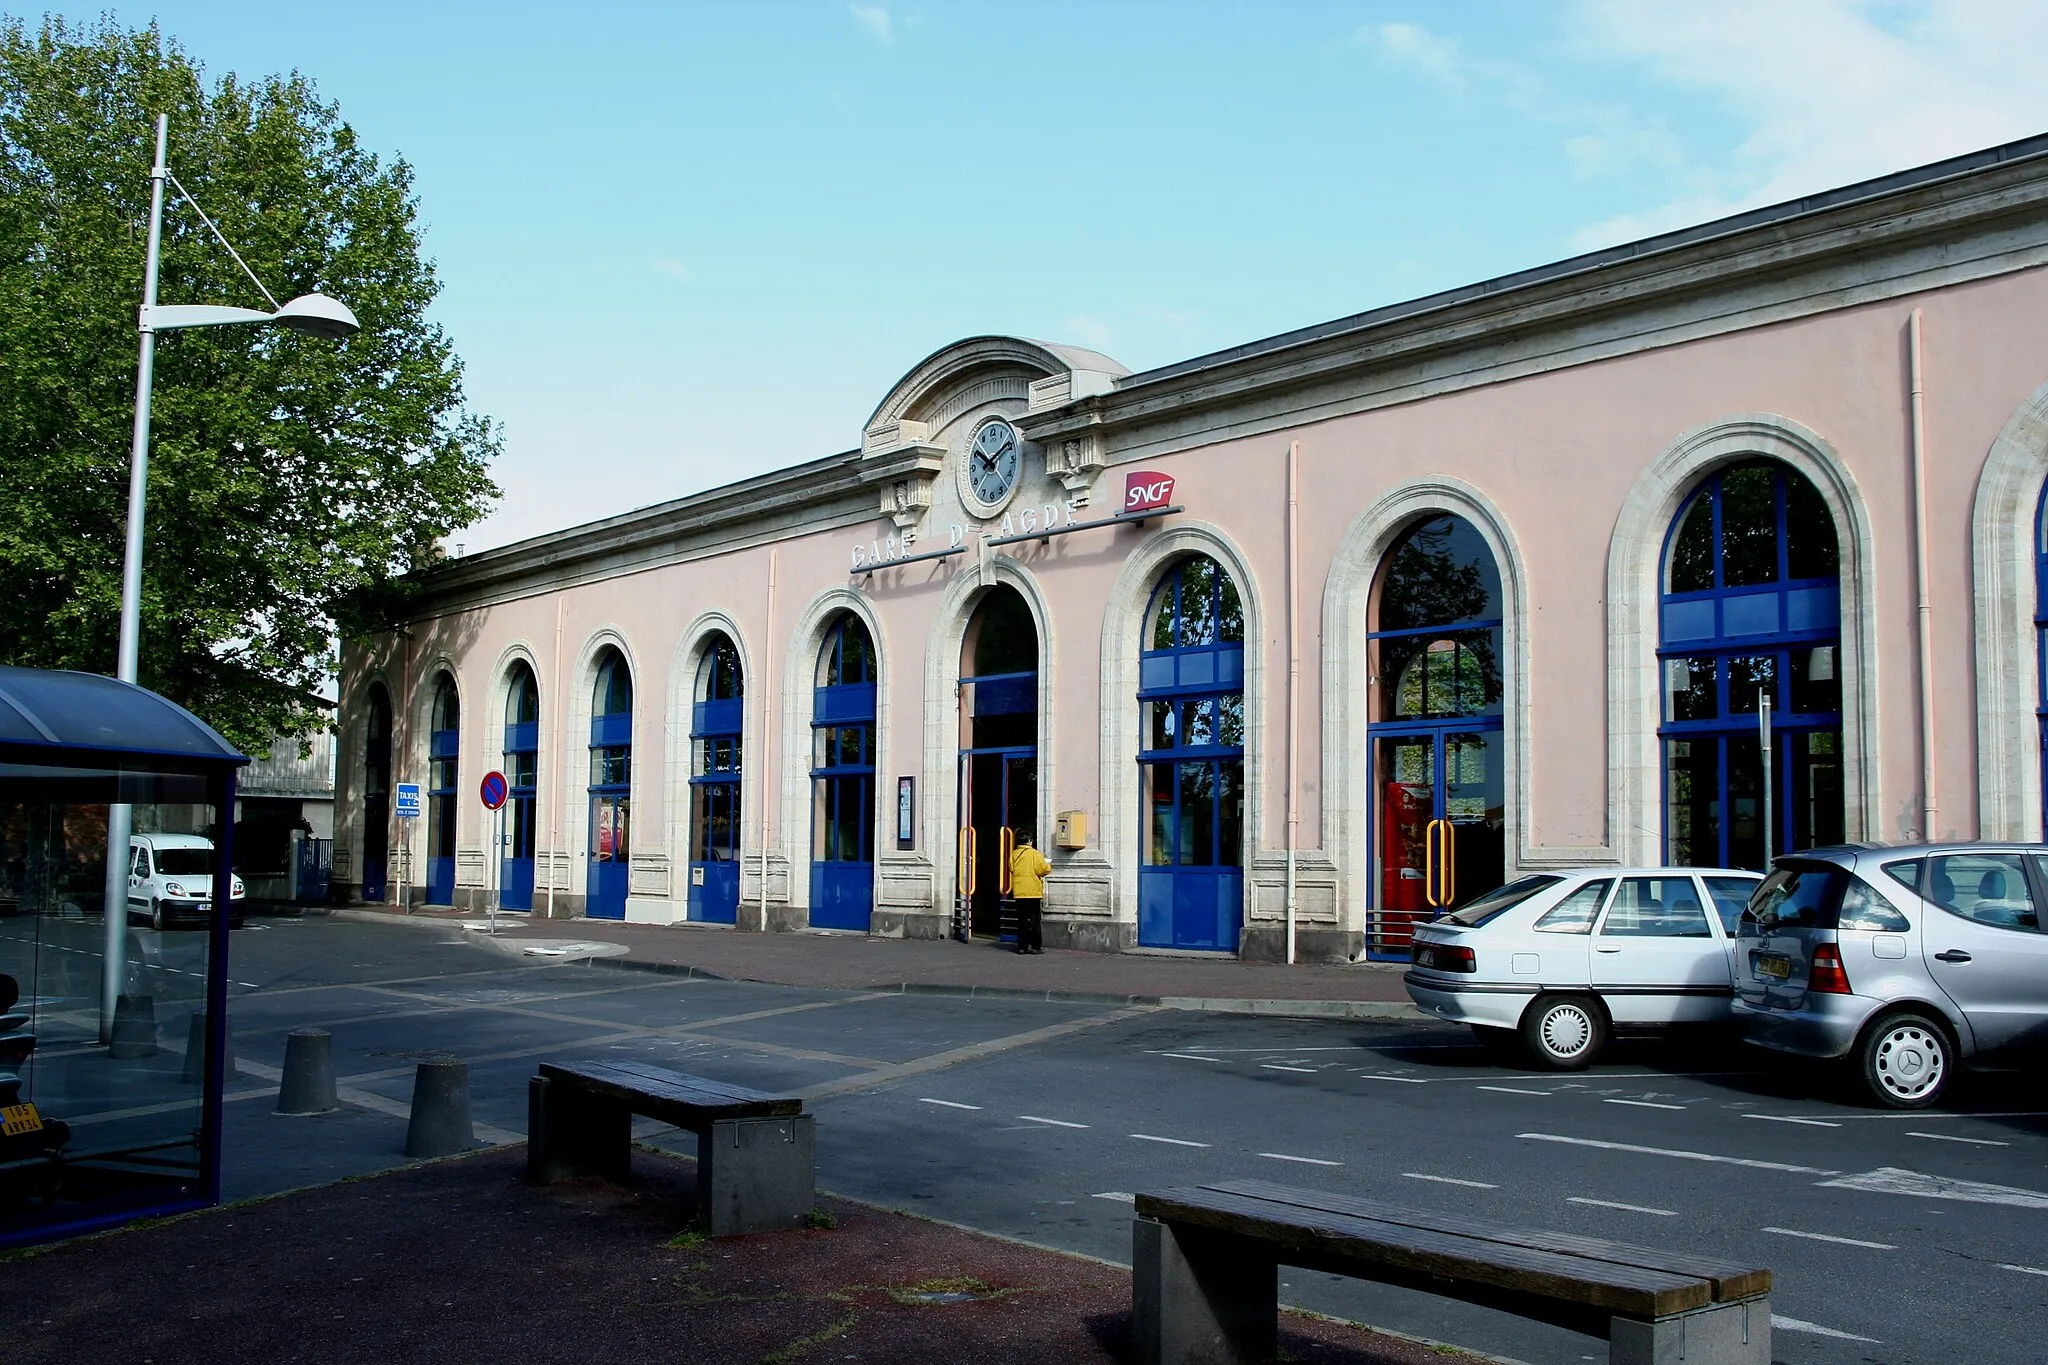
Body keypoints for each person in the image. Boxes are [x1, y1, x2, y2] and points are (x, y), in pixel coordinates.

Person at [1008, 830, 1052, 955]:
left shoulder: (1014, 854)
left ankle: (1022, 947)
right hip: (1033, 892)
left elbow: (1011, 868)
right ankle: (1035, 946)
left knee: (1022, 920)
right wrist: (1048, 865)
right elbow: (1042, 870)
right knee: (1034, 921)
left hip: (1019, 892)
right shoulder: (1035, 854)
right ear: (1030, 841)